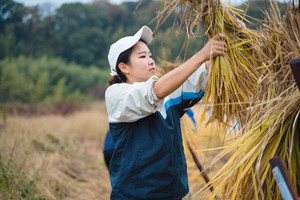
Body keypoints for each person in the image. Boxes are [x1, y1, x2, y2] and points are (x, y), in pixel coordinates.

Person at [105, 23, 244, 199]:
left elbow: (201, 73)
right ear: (123, 67)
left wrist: (227, 38)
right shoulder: (117, 95)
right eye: (142, 56)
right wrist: (202, 54)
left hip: (171, 194)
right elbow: (155, 91)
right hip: (135, 195)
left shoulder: (168, 95)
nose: (151, 60)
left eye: (150, 55)